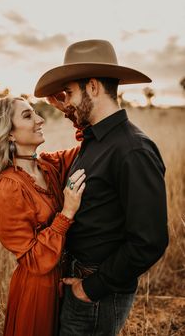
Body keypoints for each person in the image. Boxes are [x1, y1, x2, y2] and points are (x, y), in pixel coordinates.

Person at [34, 39, 169, 335]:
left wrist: (91, 288)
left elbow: (150, 241)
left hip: (97, 294)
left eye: (69, 92)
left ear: (92, 87)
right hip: (77, 284)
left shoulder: (133, 150)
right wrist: (65, 106)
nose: (65, 102)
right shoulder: (95, 139)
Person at [0, 96, 86, 336]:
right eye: (28, 116)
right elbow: (34, 260)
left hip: (65, 284)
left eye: (36, 113)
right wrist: (67, 212)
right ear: (9, 134)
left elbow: (90, 145)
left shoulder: (47, 165)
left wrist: (70, 110)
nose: (40, 119)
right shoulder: (8, 186)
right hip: (37, 294)